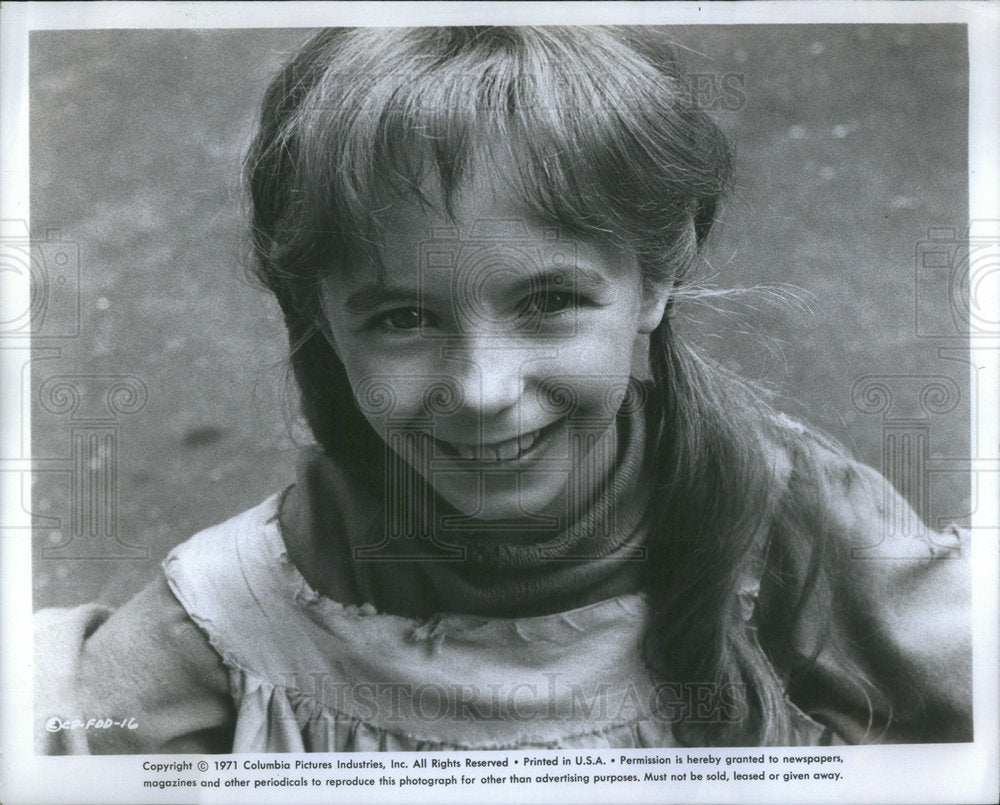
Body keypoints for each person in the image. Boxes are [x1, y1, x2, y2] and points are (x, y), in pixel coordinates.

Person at [35, 26, 971, 754]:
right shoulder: (245, 609)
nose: (482, 389)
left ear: (654, 279)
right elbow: (59, 740)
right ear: (321, 313)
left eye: (551, 301)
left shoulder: (797, 527)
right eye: (403, 318)